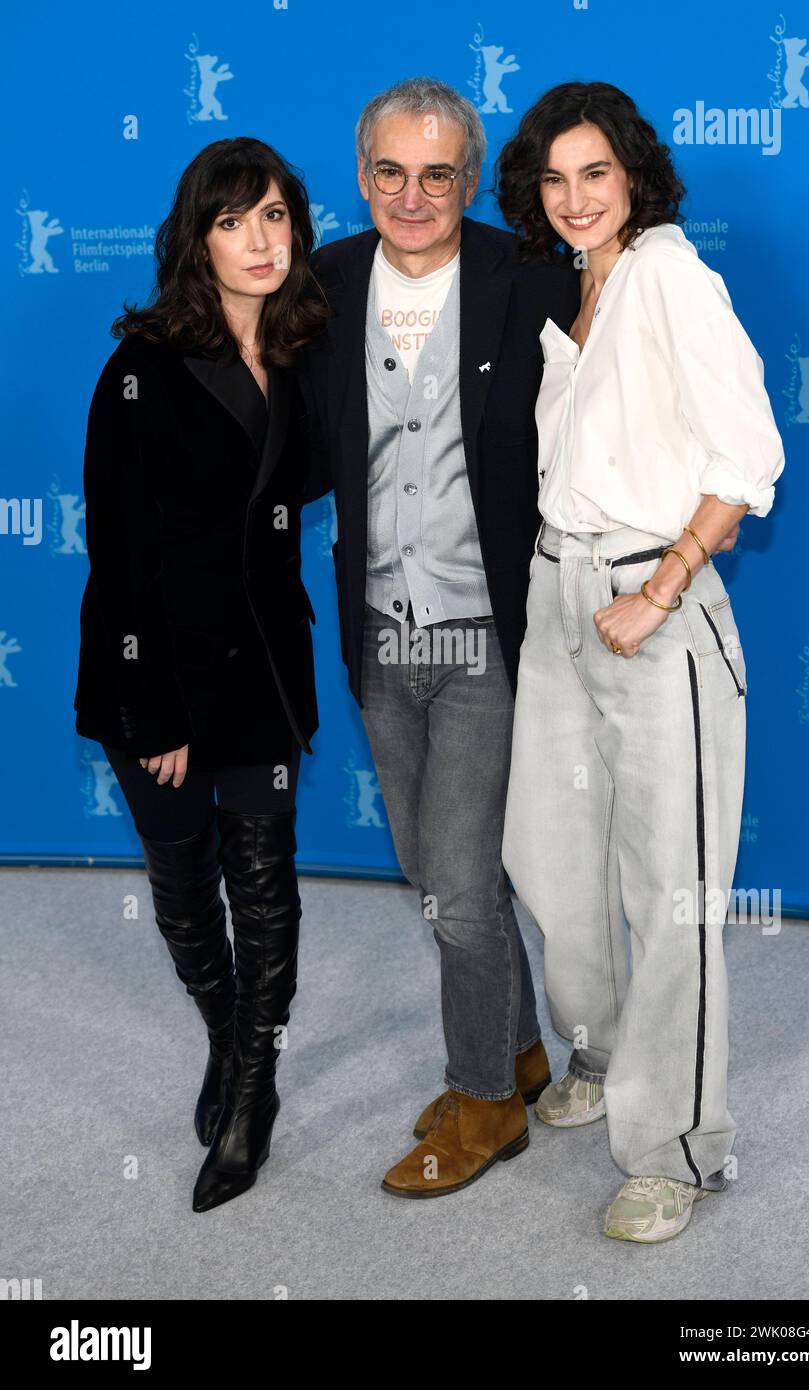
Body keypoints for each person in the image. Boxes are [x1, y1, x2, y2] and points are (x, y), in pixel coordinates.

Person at [496, 82, 784, 1241]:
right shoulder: (572, 285)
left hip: (652, 603)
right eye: (555, 180)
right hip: (557, 591)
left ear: (635, 176)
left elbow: (750, 456)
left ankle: (675, 1148)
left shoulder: (668, 272)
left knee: (671, 894)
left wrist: (658, 587)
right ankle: (605, 1054)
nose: (575, 199)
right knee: (549, 858)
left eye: (595, 175)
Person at [298, 77, 581, 1197]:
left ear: (468, 180)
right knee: (431, 869)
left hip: (483, 636)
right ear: (361, 172)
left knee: (460, 887)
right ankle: (515, 1048)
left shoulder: (531, 280)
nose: (412, 197)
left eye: (438, 175)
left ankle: (482, 1102)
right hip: (379, 628)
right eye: (389, 173)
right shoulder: (321, 283)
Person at [73, 136, 330, 1213]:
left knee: (266, 885)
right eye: (234, 220)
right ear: (196, 238)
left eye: (275, 215)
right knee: (186, 891)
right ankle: (227, 1035)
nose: (260, 239)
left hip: (264, 669)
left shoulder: (309, 352)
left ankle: (255, 1086)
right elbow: (120, 557)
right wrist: (156, 708)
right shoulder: (141, 371)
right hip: (161, 678)